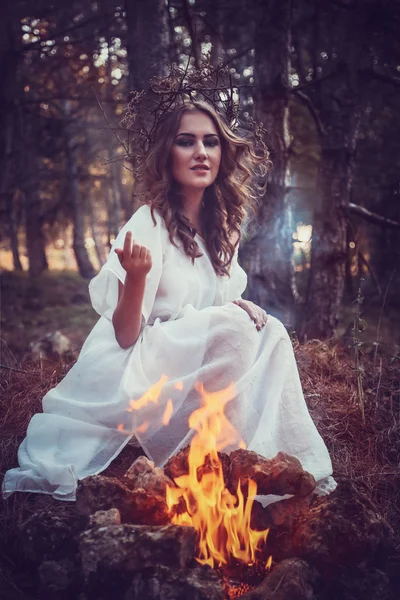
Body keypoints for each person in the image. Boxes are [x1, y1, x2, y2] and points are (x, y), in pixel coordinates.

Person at [2, 101, 336, 502]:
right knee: (235, 329)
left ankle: (261, 460)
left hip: (184, 357)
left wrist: (237, 303)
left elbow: (211, 302)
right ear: (167, 155)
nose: (201, 152)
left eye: (211, 142)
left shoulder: (222, 228)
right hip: (136, 364)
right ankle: (217, 462)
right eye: (186, 141)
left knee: (272, 331)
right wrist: (137, 278)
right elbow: (125, 335)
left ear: (222, 153)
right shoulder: (149, 221)